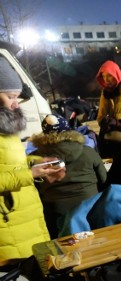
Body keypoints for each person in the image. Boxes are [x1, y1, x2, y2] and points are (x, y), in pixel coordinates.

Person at [0, 59, 66, 267]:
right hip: (8, 231)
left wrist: (38, 163)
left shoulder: (6, 129)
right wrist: (30, 174)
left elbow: (10, 164)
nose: (16, 104)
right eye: (10, 97)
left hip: (29, 219)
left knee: (52, 279)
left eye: (17, 97)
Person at [30, 114, 107, 238]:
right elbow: (104, 181)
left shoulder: (35, 159)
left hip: (56, 214)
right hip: (91, 209)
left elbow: (35, 190)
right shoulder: (88, 152)